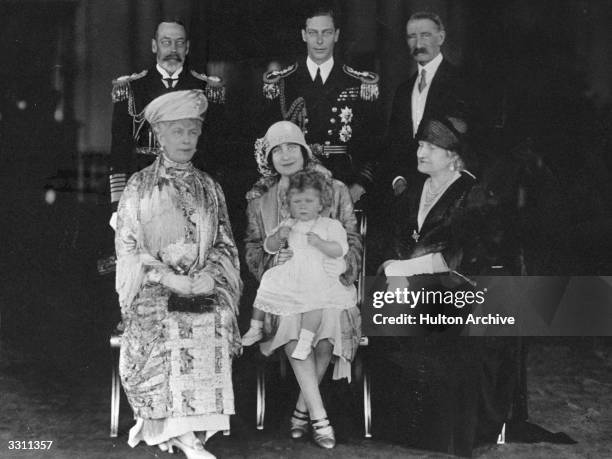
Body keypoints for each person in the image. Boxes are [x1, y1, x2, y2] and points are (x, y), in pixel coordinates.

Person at [373, 115, 520, 457]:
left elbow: (456, 257)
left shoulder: (472, 194)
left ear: (452, 155)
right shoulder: (414, 188)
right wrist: (395, 270)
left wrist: (401, 268)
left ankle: (443, 431)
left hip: (464, 288)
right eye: (421, 145)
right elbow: (396, 241)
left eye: (431, 147)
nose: (420, 152)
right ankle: (407, 426)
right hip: (413, 282)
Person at [115, 90, 241, 459]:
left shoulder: (210, 188)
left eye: (192, 132)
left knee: (216, 316)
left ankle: (190, 433)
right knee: (167, 321)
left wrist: (212, 278)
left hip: (200, 284)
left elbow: (224, 244)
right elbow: (127, 249)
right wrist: (167, 278)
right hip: (153, 288)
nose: (186, 140)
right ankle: (183, 438)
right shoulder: (139, 186)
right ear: (160, 136)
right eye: (178, 133)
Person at [244, 121, 362, 449]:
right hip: (286, 290)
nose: (285, 155)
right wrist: (270, 261)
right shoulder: (260, 200)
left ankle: (301, 411)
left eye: (292, 146)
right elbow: (254, 247)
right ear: (268, 158)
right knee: (292, 325)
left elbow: (351, 240)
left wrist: (337, 269)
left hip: (327, 283)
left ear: (305, 150)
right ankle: (320, 417)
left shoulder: (334, 189)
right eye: (276, 150)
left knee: (328, 324)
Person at [109, 18, 226, 228]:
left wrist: (212, 203)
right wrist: (118, 205)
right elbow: (119, 151)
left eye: (179, 43)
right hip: (144, 193)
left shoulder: (206, 88)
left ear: (187, 47)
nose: (173, 49)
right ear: (154, 45)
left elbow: (215, 153)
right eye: (166, 42)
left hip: (192, 193)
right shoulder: (132, 89)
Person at [260, 2, 381, 203]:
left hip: (344, 184)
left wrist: (360, 185)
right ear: (303, 35)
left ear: (336, 35)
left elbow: (372, 142)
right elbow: (266, 142)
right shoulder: (283, 82)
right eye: (313, 32)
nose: (319, 40)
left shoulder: (357, 82)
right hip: (294, 184)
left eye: (326, 33)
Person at [242, 169, 356, 362]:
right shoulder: (289, 223)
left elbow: (340, 249)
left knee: (315, 302)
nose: (303, 206)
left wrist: (321, 244)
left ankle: (305, 340)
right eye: (297, 202)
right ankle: (256, 327)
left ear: (321, 204)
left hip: (318, 274)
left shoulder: (329, 225)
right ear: (289, 204)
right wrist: (278, 237)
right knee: (268, 280)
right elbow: (269, 248)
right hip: (293, 272)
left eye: (309, 201)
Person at [383, 12, 470, 197]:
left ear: (441, 37)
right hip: (407, 192)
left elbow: (471, 139)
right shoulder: (403, 90)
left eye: (425, 35)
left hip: (450, 187)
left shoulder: (462, 82)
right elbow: (394, 143)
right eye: (412, 37)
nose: (418, 44)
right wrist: (398, 180)